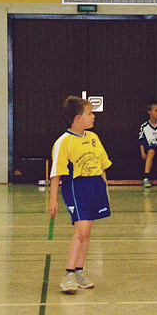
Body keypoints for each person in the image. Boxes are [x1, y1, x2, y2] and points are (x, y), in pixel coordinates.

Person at [48, 96, 112, 293]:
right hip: (76, 187)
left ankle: (79, 272)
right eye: (90, 113)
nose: (93, 117)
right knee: (81, 230)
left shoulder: (94, 138)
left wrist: (106, 191)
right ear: (77, 118)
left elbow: (102, 166)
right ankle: (68, 274)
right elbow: (56, 174)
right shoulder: (63, 142)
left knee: (87, 231)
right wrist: (53, 199)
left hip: (95, 186)